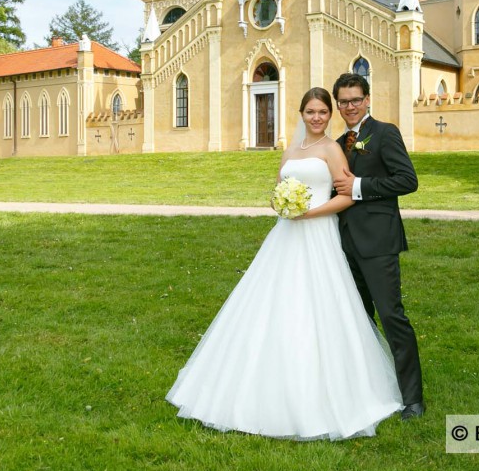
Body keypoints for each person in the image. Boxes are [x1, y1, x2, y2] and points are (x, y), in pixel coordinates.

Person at [165, 87, 402, 440]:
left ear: (329, 114)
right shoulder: (290, 151)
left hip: (318, 234)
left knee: (319, 306)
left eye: (323, 111)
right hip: (285, 235)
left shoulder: (334, 149)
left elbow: (345, 195)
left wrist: (309, 213)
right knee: (270, 304)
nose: (317, 117)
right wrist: (282, 206)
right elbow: (277, 190)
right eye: (311, 111)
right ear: (302, 114)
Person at [331, 73, 424, 420]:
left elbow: (407, 180)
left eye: (355, 99)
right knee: (358, 320)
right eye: (343, 101)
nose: (350, 106)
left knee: (391, 317)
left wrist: (360, 186)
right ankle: (367, 388)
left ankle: (413, 398)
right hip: (344, 245)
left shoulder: (385, 133)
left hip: (379, 243)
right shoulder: (340, 142)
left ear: (368, 99)